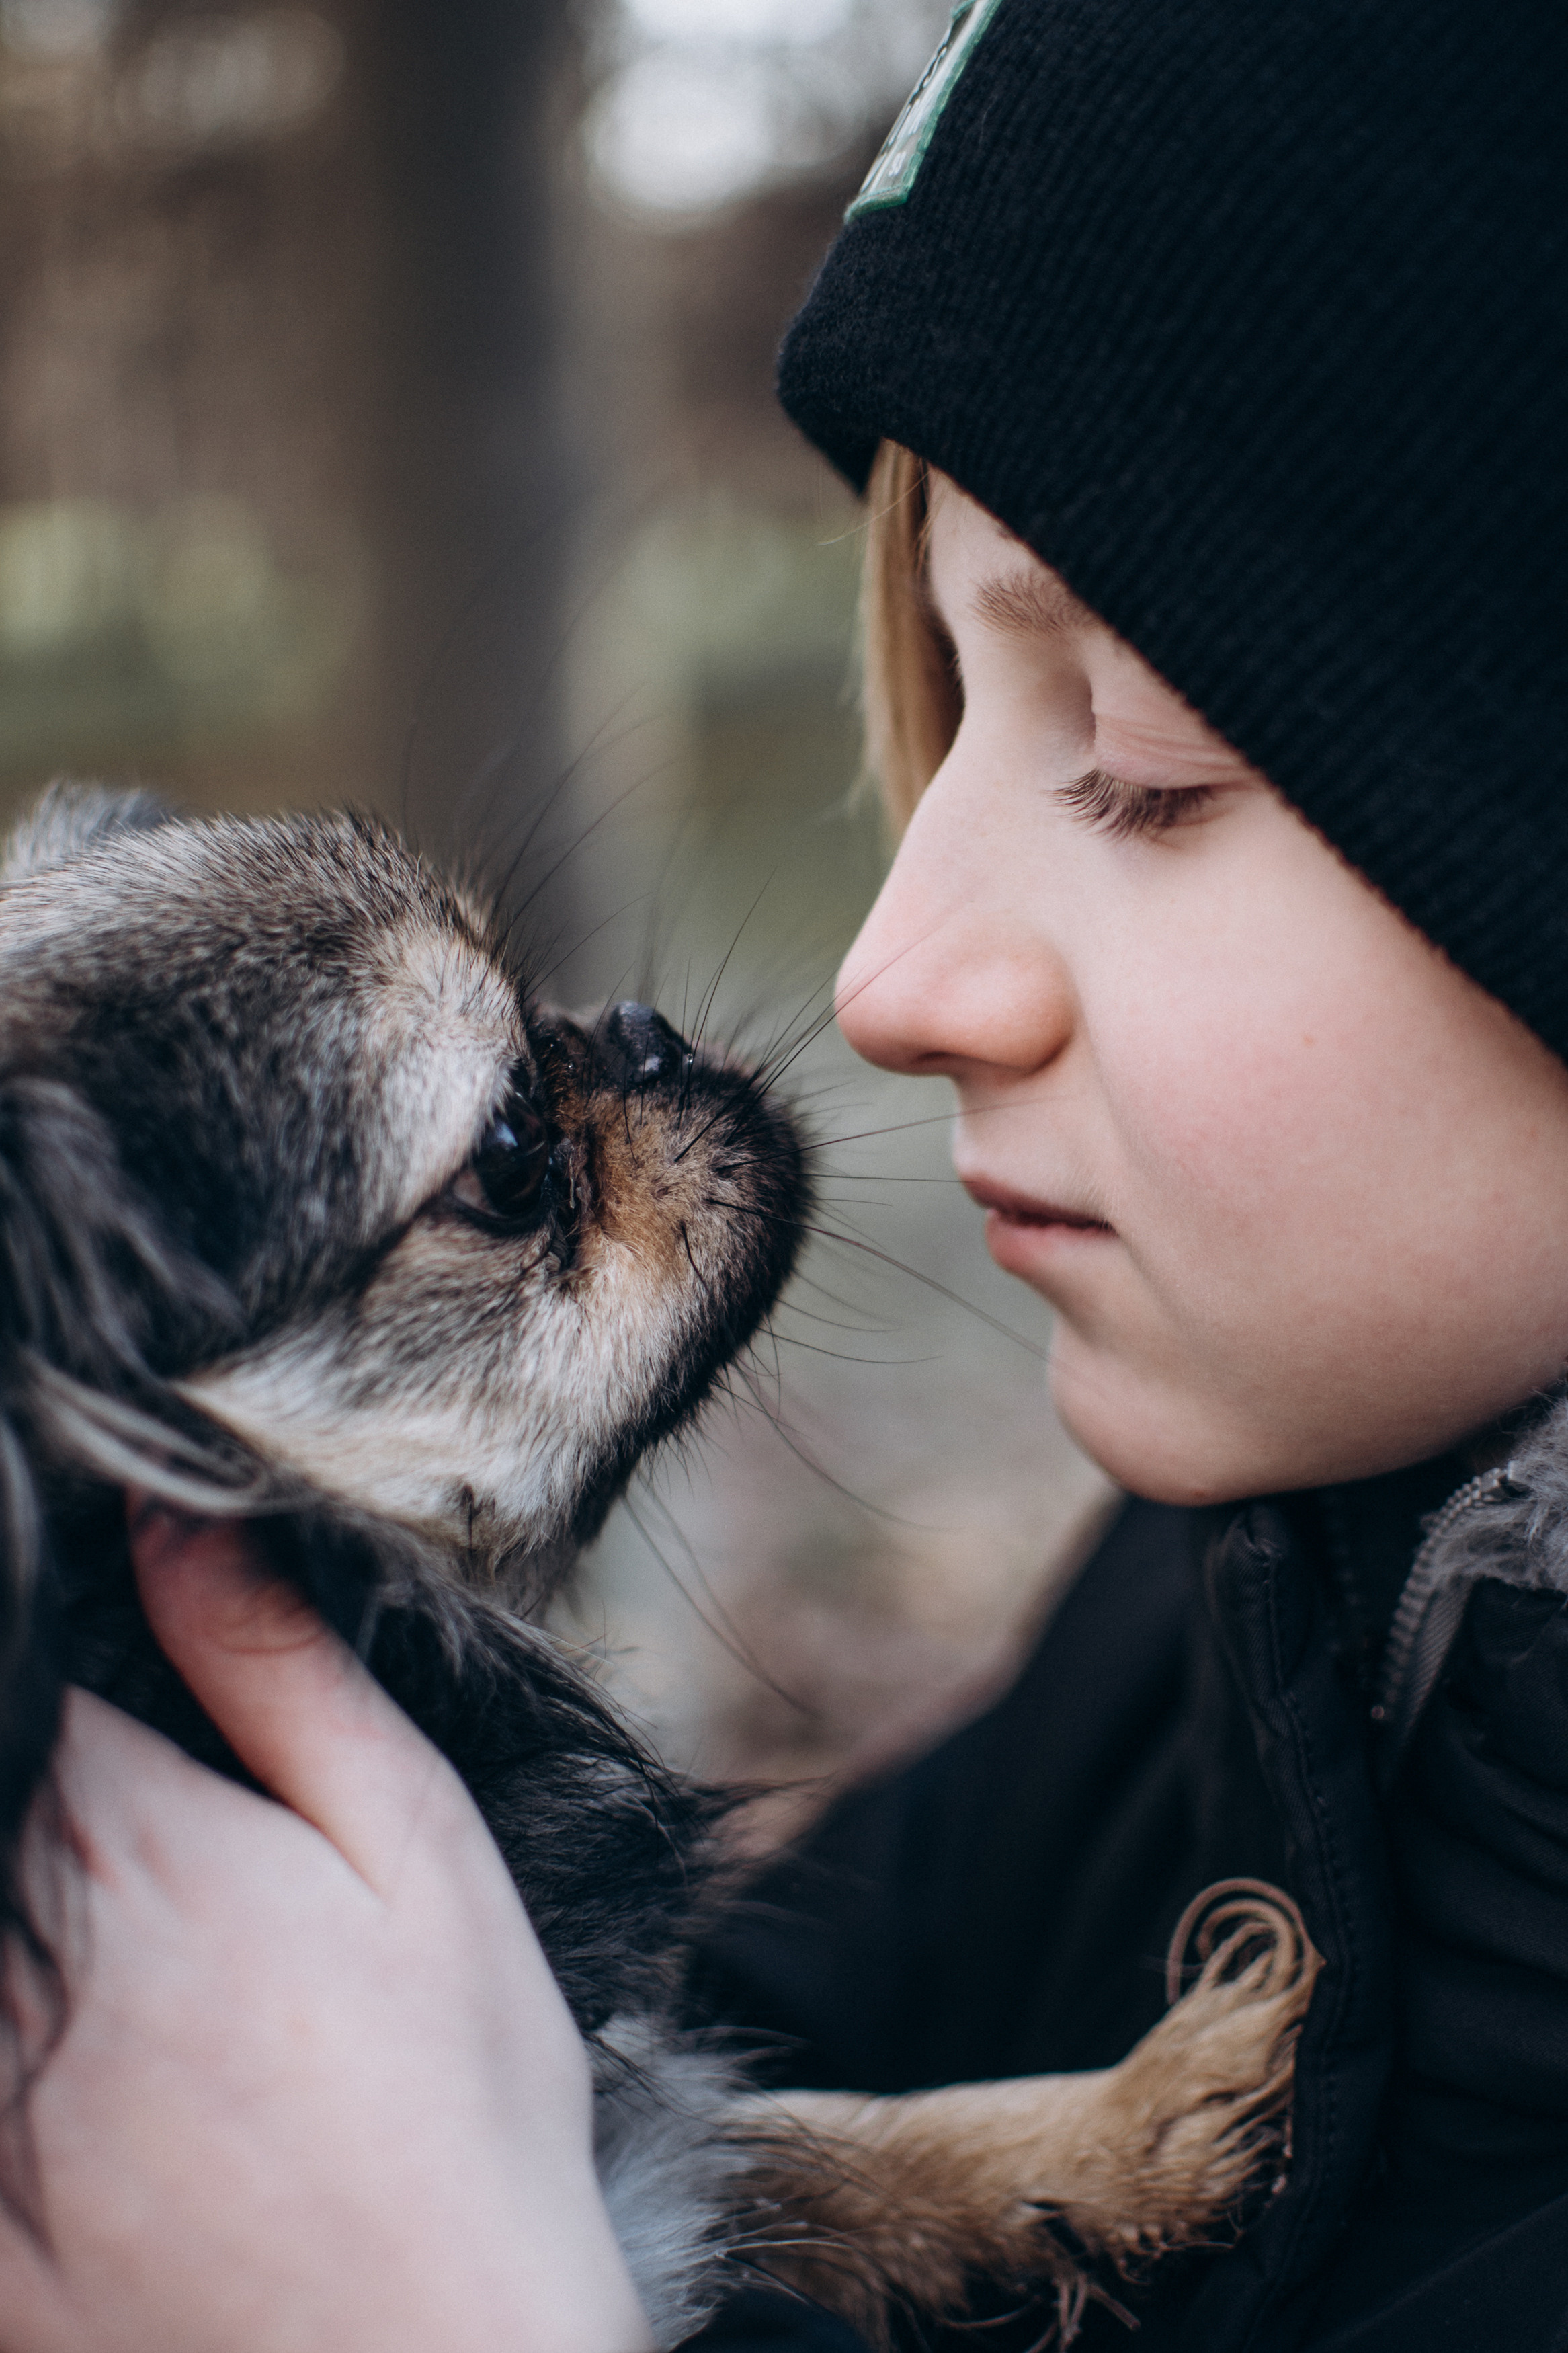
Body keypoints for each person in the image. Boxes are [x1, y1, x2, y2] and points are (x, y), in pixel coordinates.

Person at [2, 0, 1565, 2348]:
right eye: (940, 701)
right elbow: (740, 2061)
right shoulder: (1244, 1607)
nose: (886, 973)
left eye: (1145, 763)